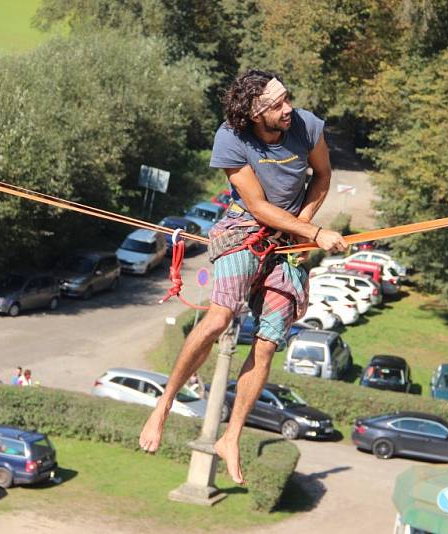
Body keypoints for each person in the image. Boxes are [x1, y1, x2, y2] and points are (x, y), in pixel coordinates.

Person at [139, 69, 347, 484]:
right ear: (254, 113)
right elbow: (256, 205)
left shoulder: (307, 126)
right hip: (245, 228)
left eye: (287, 98)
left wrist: (302, 226)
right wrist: (315, 233)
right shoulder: (230, 138)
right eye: (276, 105)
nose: (287, 109)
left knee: (268, 344)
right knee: (218, 318)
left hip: (291, 233)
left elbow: (322, 176)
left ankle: (230, 437)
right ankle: (163, 404)